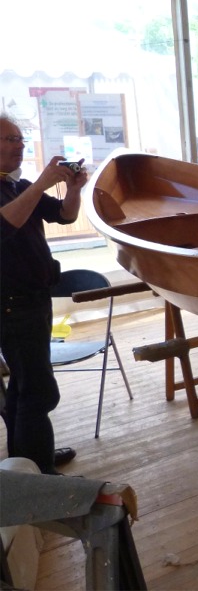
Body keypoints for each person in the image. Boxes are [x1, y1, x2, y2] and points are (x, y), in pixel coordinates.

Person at [1, 113, 86, 474]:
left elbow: (65, 216)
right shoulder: (22, 190)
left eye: (21, 139)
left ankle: (27, 464)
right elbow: (3, 226)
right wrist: (39, 185)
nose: (20, 146)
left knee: (23, 387)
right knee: (38, 391)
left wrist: (74, 189)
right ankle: (40, 475)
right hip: (12, 306)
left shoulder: (18, 187)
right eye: (11, 139)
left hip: (34, 300)